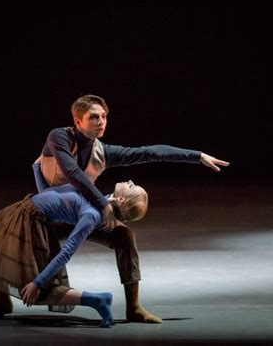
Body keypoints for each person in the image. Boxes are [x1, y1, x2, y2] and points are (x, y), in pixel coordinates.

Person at [32, 94, 230, 323]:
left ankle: (133, 307)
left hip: (82, 213)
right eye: (94, 117)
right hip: (50, 217)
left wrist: (197, 156)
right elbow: (72, 174)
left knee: (124, 235)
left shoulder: (102, 151)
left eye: (104, 116)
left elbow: (149, 152)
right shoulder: (59, 138)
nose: (101, 121)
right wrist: (103, 203)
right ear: (78, 122)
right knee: (19, 261)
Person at [0, 180, 148, 328]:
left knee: (30, 287)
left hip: (30, 221)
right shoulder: (101, 199)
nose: (130, 182)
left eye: (132, 187)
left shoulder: (91, 215)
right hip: (23, 210)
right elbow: (50, 188)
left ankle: (95, 299)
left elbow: (67, 251)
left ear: (121, 199)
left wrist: (37, 283)